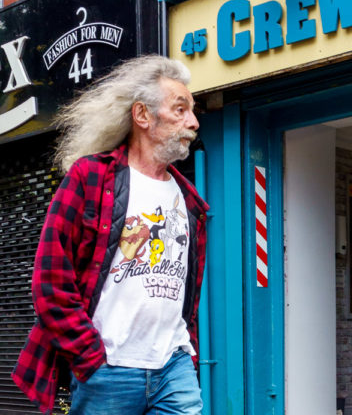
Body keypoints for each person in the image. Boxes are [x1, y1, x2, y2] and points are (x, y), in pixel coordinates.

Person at [12, 56, 209, 415]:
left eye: (192, 111)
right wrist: (89, 355)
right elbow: (50, 282)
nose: (193, 122)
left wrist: (188, 351)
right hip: (108, 368)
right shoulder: (90, 178)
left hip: (173, 366)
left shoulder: (190, 202)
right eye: (180, 109)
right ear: (143, 116)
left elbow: (186, 298)